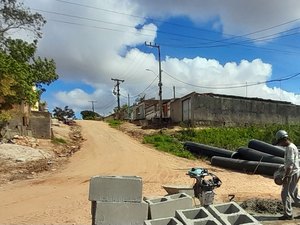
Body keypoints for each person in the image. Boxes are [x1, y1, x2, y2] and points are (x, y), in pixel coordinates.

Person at [275, 130, 300, 220]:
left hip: (291, 174)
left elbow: (290, 165)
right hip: (295, 172)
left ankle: (288, 215)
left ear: (283, 139)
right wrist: (283, 167)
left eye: (280, 142)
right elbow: (291, 162)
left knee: (285, 194)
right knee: (294, 194)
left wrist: (285, 176)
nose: (280, 144)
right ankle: (288, 214)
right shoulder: (292, 146)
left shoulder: (290, 148)